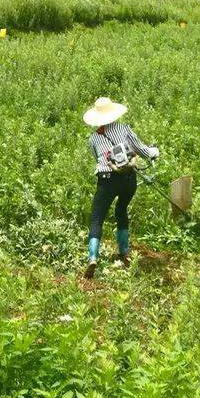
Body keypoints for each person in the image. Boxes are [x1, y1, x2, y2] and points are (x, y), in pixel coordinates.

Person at [82, 97, 159, 279]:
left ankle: (93, 257)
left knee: (96, 218)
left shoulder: (93, 138)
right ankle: (124, 252)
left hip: (106, 179)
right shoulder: (124, 129)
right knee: (121, 210)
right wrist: (154, 152)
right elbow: (142, 150)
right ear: (113, 113)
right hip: (127, 179)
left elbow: (97, 158)